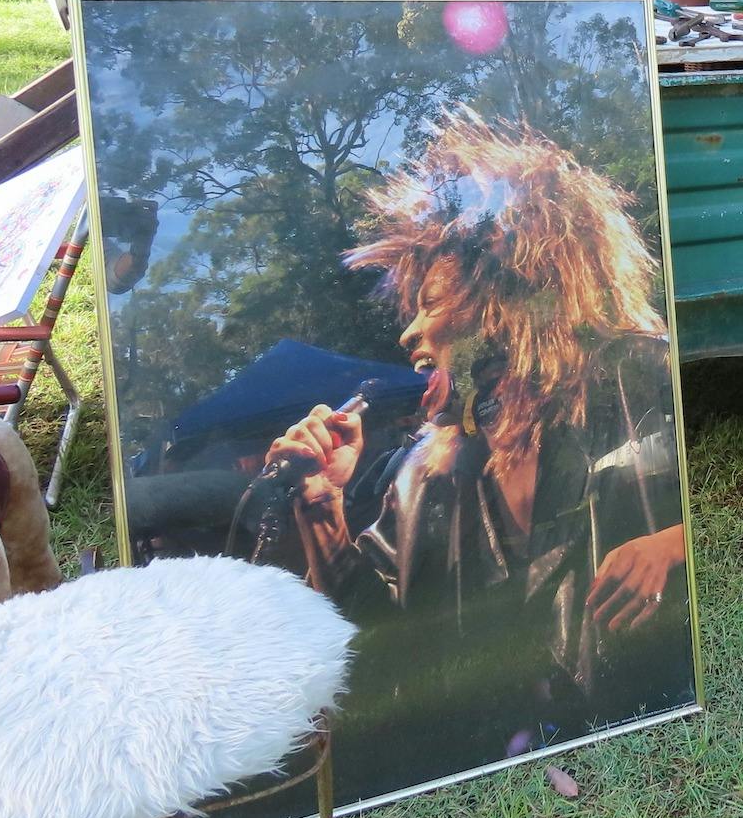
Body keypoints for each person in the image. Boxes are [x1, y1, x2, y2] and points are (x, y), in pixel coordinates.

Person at [239, 107, 688, 750]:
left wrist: (673, 543)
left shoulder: (639, 375)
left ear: (512, 294)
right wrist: (320, 503)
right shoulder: (427, 473)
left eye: (430, 304)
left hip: (654, 730)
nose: (408, 332)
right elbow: (380, 645)